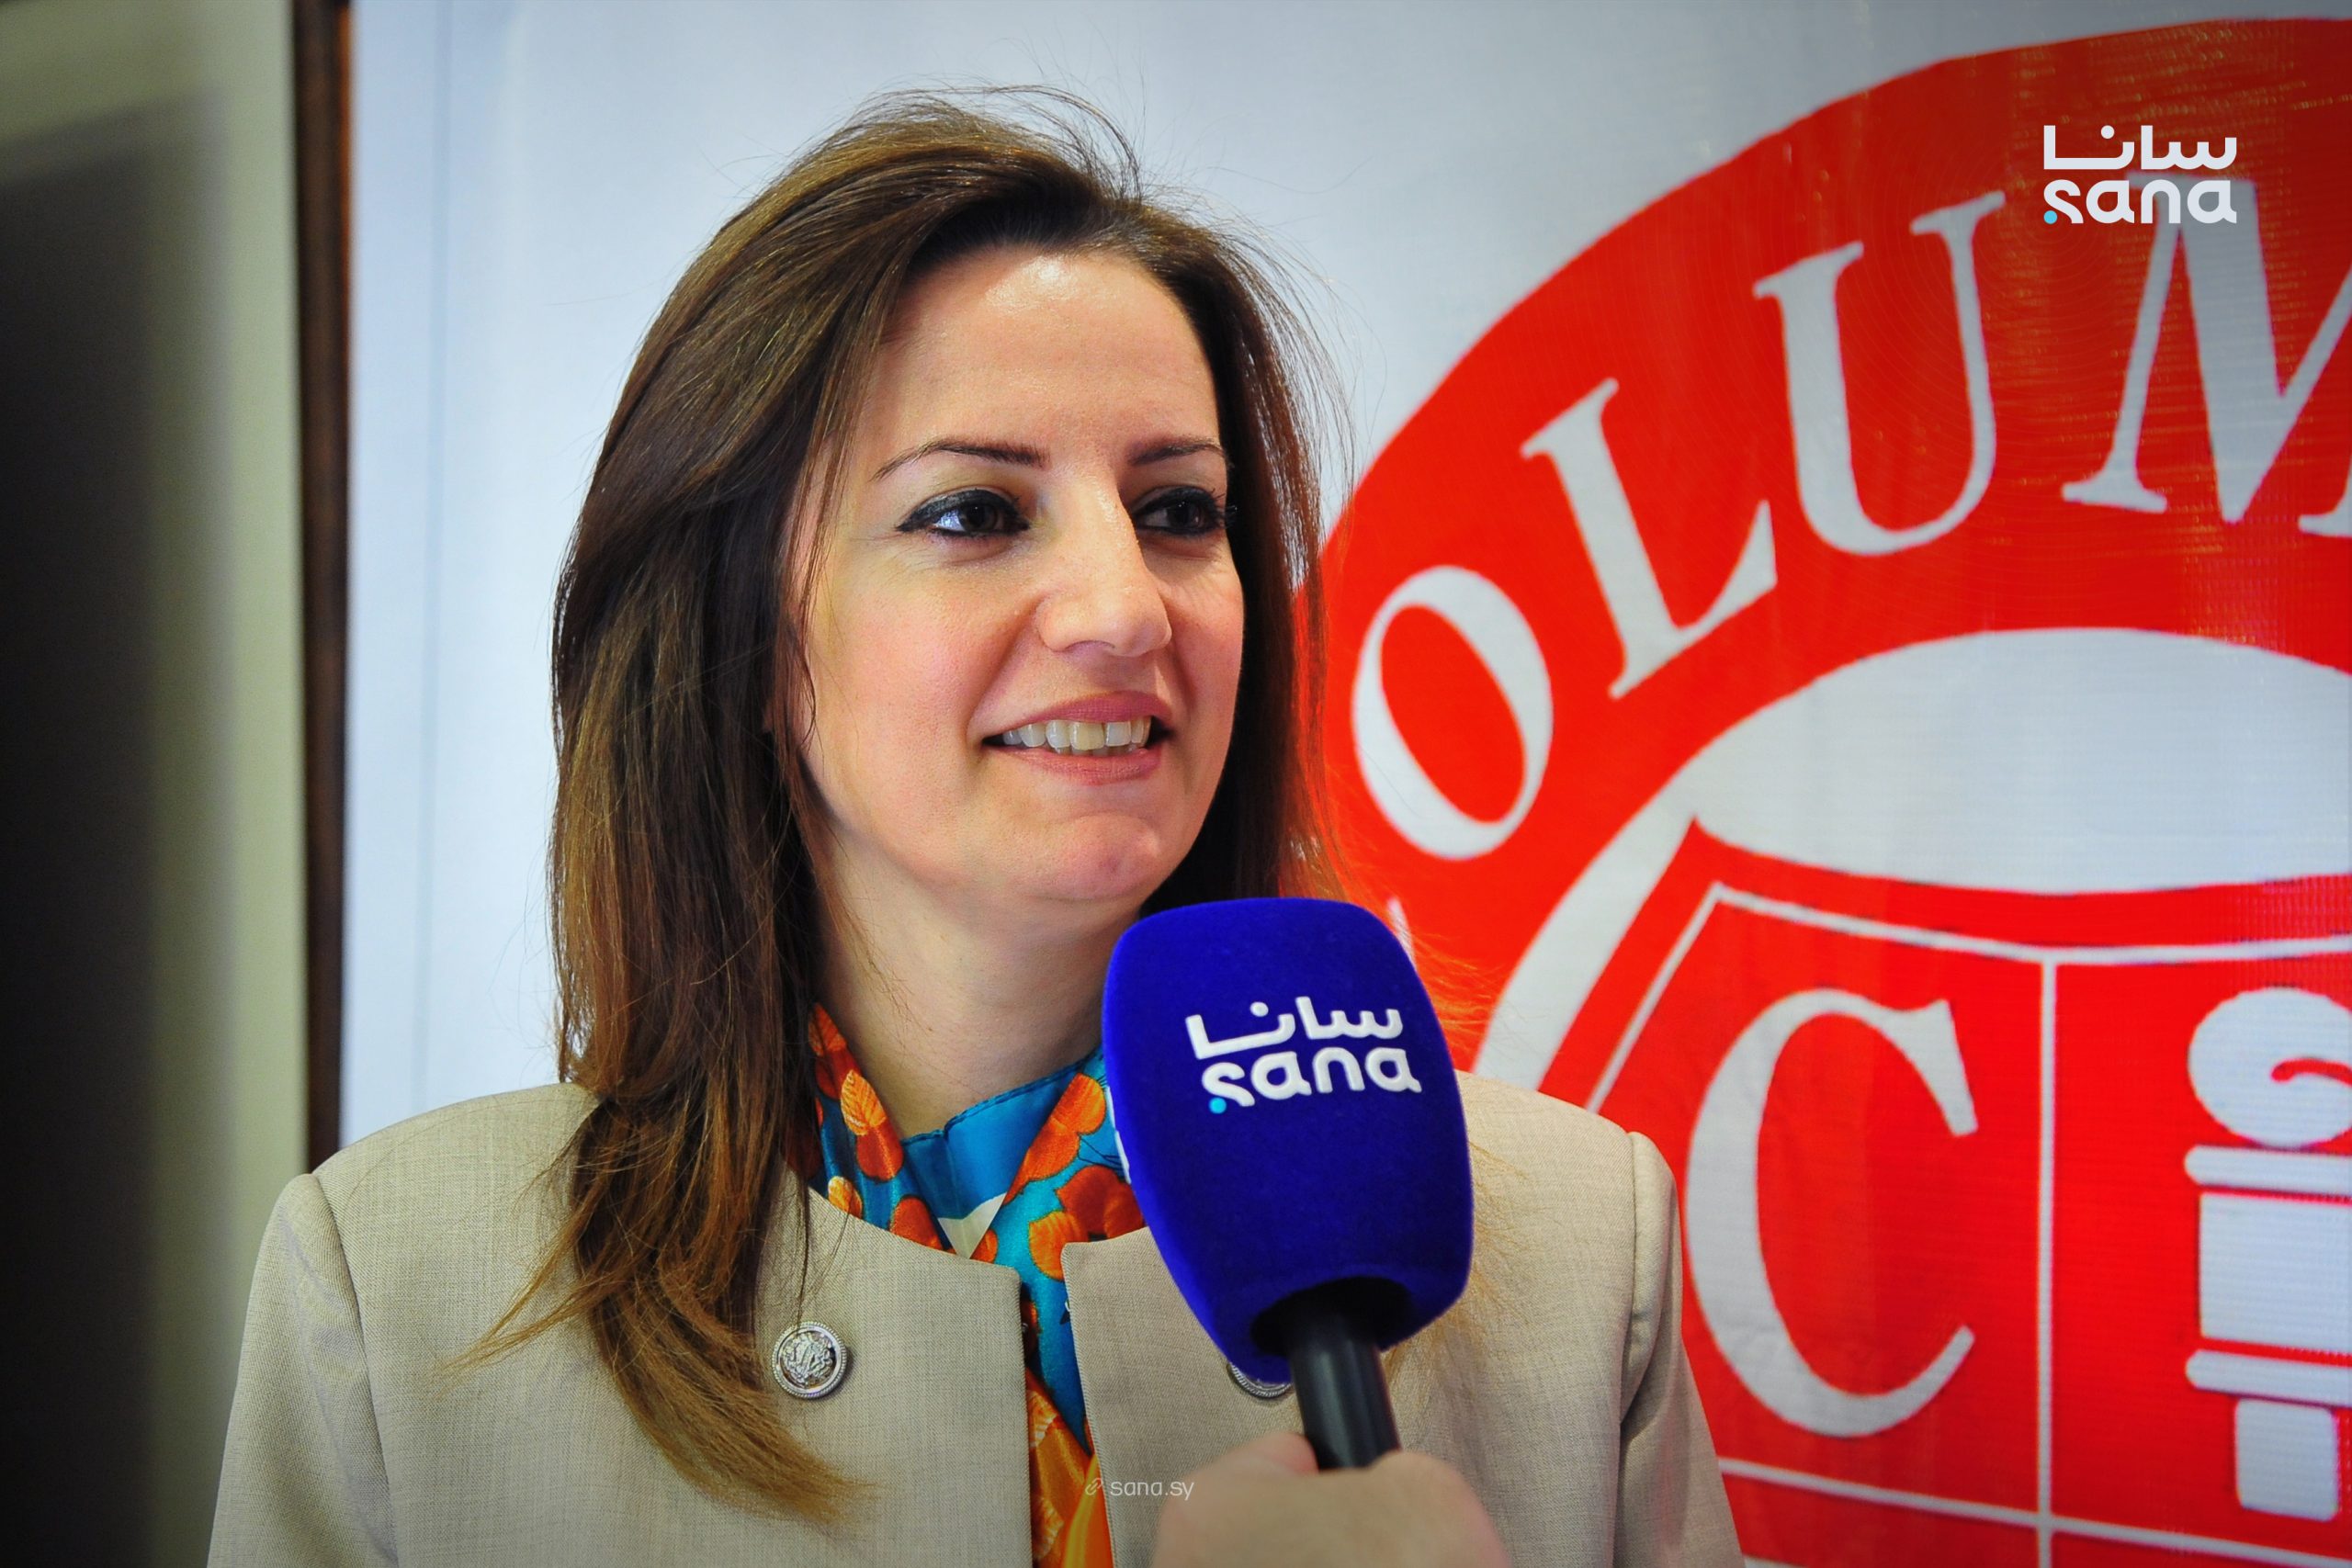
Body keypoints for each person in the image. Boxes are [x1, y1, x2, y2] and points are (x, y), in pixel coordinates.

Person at [208, 91, 1739, 1567]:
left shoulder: (1573, 1252)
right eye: (974, 514)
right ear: (743, 639)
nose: (1124, 610)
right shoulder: (398, 1293)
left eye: (1178, 511)